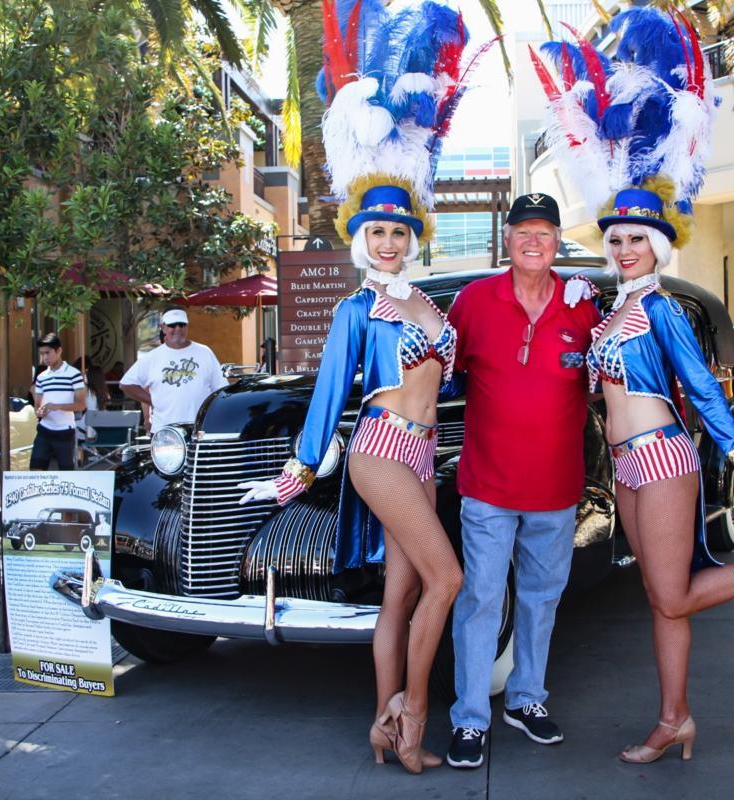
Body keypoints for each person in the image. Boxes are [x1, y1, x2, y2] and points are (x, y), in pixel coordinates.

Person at [533, 5, 734, 765]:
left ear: (657, 244)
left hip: (664, 459)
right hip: (624, 466)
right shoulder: (609, 311)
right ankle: (674, 718)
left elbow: (702, 385)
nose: (624, 248)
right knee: (659, 598)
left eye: (636, 239)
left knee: (673, 594)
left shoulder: (664, 309)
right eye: (615, 238)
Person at [234, 0, 482, 775]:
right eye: (376, 231)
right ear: (359, 236)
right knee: (449, 577)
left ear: (414, 235)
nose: (388, 241)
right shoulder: (355, 309)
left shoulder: (431, 306)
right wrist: (299, 468)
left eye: (399, 231)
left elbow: (459, 374)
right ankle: (412, 721)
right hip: (379, 450)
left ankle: (384, 725)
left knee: (401, 598)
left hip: (423, 453)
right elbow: (329, 396)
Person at [444, 193, 601, 769]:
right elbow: (442, 374)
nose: (533, 241)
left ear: (558, 242)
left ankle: (526, 698)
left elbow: (608, 378)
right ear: (506, 239)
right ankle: (470, 718)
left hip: (556, 489)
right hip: (488, 486)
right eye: (523, 231)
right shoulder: (474, 301)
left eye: (544, 232)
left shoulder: (583, 307)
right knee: (481, 600)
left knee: (541, 599)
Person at [119, 309, 223, 432]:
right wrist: (154, 401)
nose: (178, 329)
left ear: (187, 327)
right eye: (172, 325)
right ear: (163, 328)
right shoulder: (152, 357)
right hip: (165, 431)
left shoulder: (205, 352)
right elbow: (126, 384)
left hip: (200, 429)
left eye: (181, 324)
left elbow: (220, 388)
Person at [30, 333, 86, 470]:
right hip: (44, 429)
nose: (45, 358)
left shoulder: (74, 374)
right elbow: (37, 405)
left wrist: (57, 406)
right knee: (35, 470)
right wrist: (39, 412)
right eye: (42, 354)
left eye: (47, 353)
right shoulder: (41, 377)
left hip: (65, 431)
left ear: (59, 351)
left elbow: (81, 405)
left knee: (66, 474)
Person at [77, 362, 110, 461]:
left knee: (70, 426)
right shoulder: (103, 391)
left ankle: (79, 456)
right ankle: (93, 451)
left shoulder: (86, 389)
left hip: (88, 426)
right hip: (101, 425)